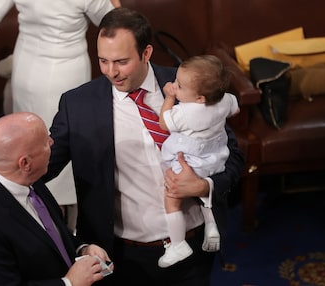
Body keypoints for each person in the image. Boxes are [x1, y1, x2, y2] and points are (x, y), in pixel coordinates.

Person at [41, 7, 244, 286]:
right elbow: (41, 166)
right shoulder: (78, 106)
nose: (111, 72)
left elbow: (232, 155)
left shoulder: (189, 85)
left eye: (121, 61)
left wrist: (203, 187)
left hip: (194, 247)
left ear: (146, 53)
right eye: (103, 61)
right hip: (124, 258)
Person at [0, 0, 121, 233]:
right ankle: (69, 235)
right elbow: (117, 23)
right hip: (67, 74)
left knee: (28, 148)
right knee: (63, 150)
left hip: (27, 69)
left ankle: (34, 228)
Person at [0, 112, 113, 286]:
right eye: (45, 143)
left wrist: (82, 248)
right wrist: (68, 283)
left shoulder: (26, 178)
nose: (52, 143)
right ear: (25, 163)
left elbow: (51, 233)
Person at [157, 55, 240, 268]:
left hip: (189, 160)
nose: (175, 86)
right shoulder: (225, 100)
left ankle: (177, 244)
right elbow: (235, 108)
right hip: (214, 159)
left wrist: (168, 98)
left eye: (180, 86)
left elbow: (164, 123)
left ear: (201, 98)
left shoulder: (186, 111)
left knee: (172, 198)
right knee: (203, 193)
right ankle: (211, 225)